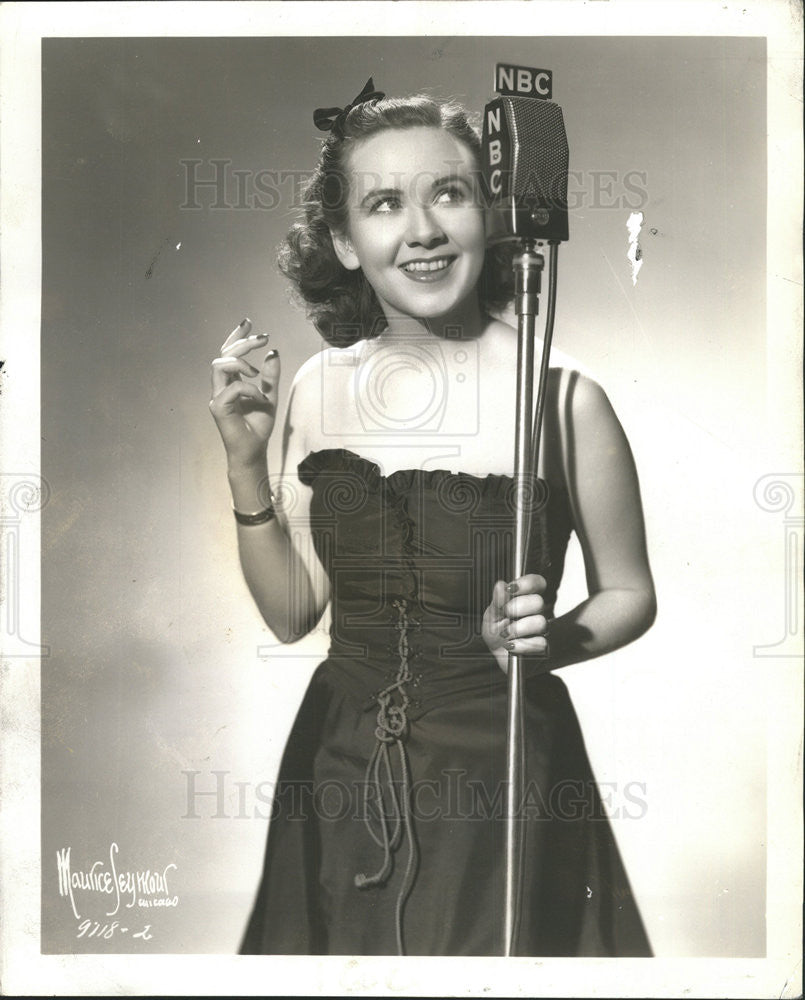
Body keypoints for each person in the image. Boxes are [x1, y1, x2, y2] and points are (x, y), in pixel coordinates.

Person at [209, 80, 657, 957]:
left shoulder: (565, 400)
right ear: (344, 240)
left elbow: (630, 593)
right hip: (336, 769)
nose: (421, 230)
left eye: (448, 194)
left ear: (489, 215)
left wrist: (543, 642)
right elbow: (294, 612)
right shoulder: (315, 386)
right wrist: (242, 462)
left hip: (500, 769)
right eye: (384, 204)